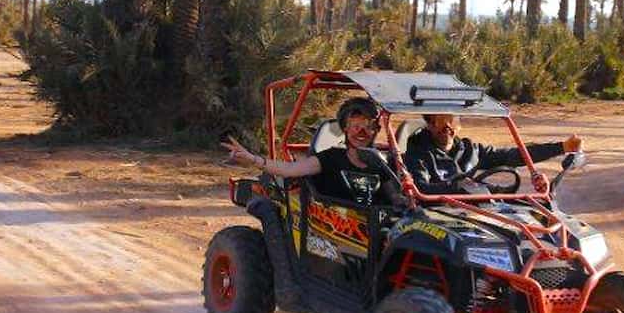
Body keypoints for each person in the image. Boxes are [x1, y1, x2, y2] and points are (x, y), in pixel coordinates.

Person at [222, 97, 404, 207]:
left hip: (375, 233)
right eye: (356, 126)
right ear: (345, 129)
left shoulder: (379, 163)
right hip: (335, 237)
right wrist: (252, 159)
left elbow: (393, 196)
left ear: (375, 131)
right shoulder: (331, 158)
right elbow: (289, 170)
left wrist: (404, 202)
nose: (361, 133)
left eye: (368, 127)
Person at [403, 113, 582, 194]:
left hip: (474, 211)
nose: (446, 126)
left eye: (451, 119)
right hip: (436, 217)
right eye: (439, 120)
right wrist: (459, 187)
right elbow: (420, 188)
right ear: (429, 124)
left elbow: (513, 155)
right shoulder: (418, 153)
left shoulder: (470, 150)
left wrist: (562, 147)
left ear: (459, 124)